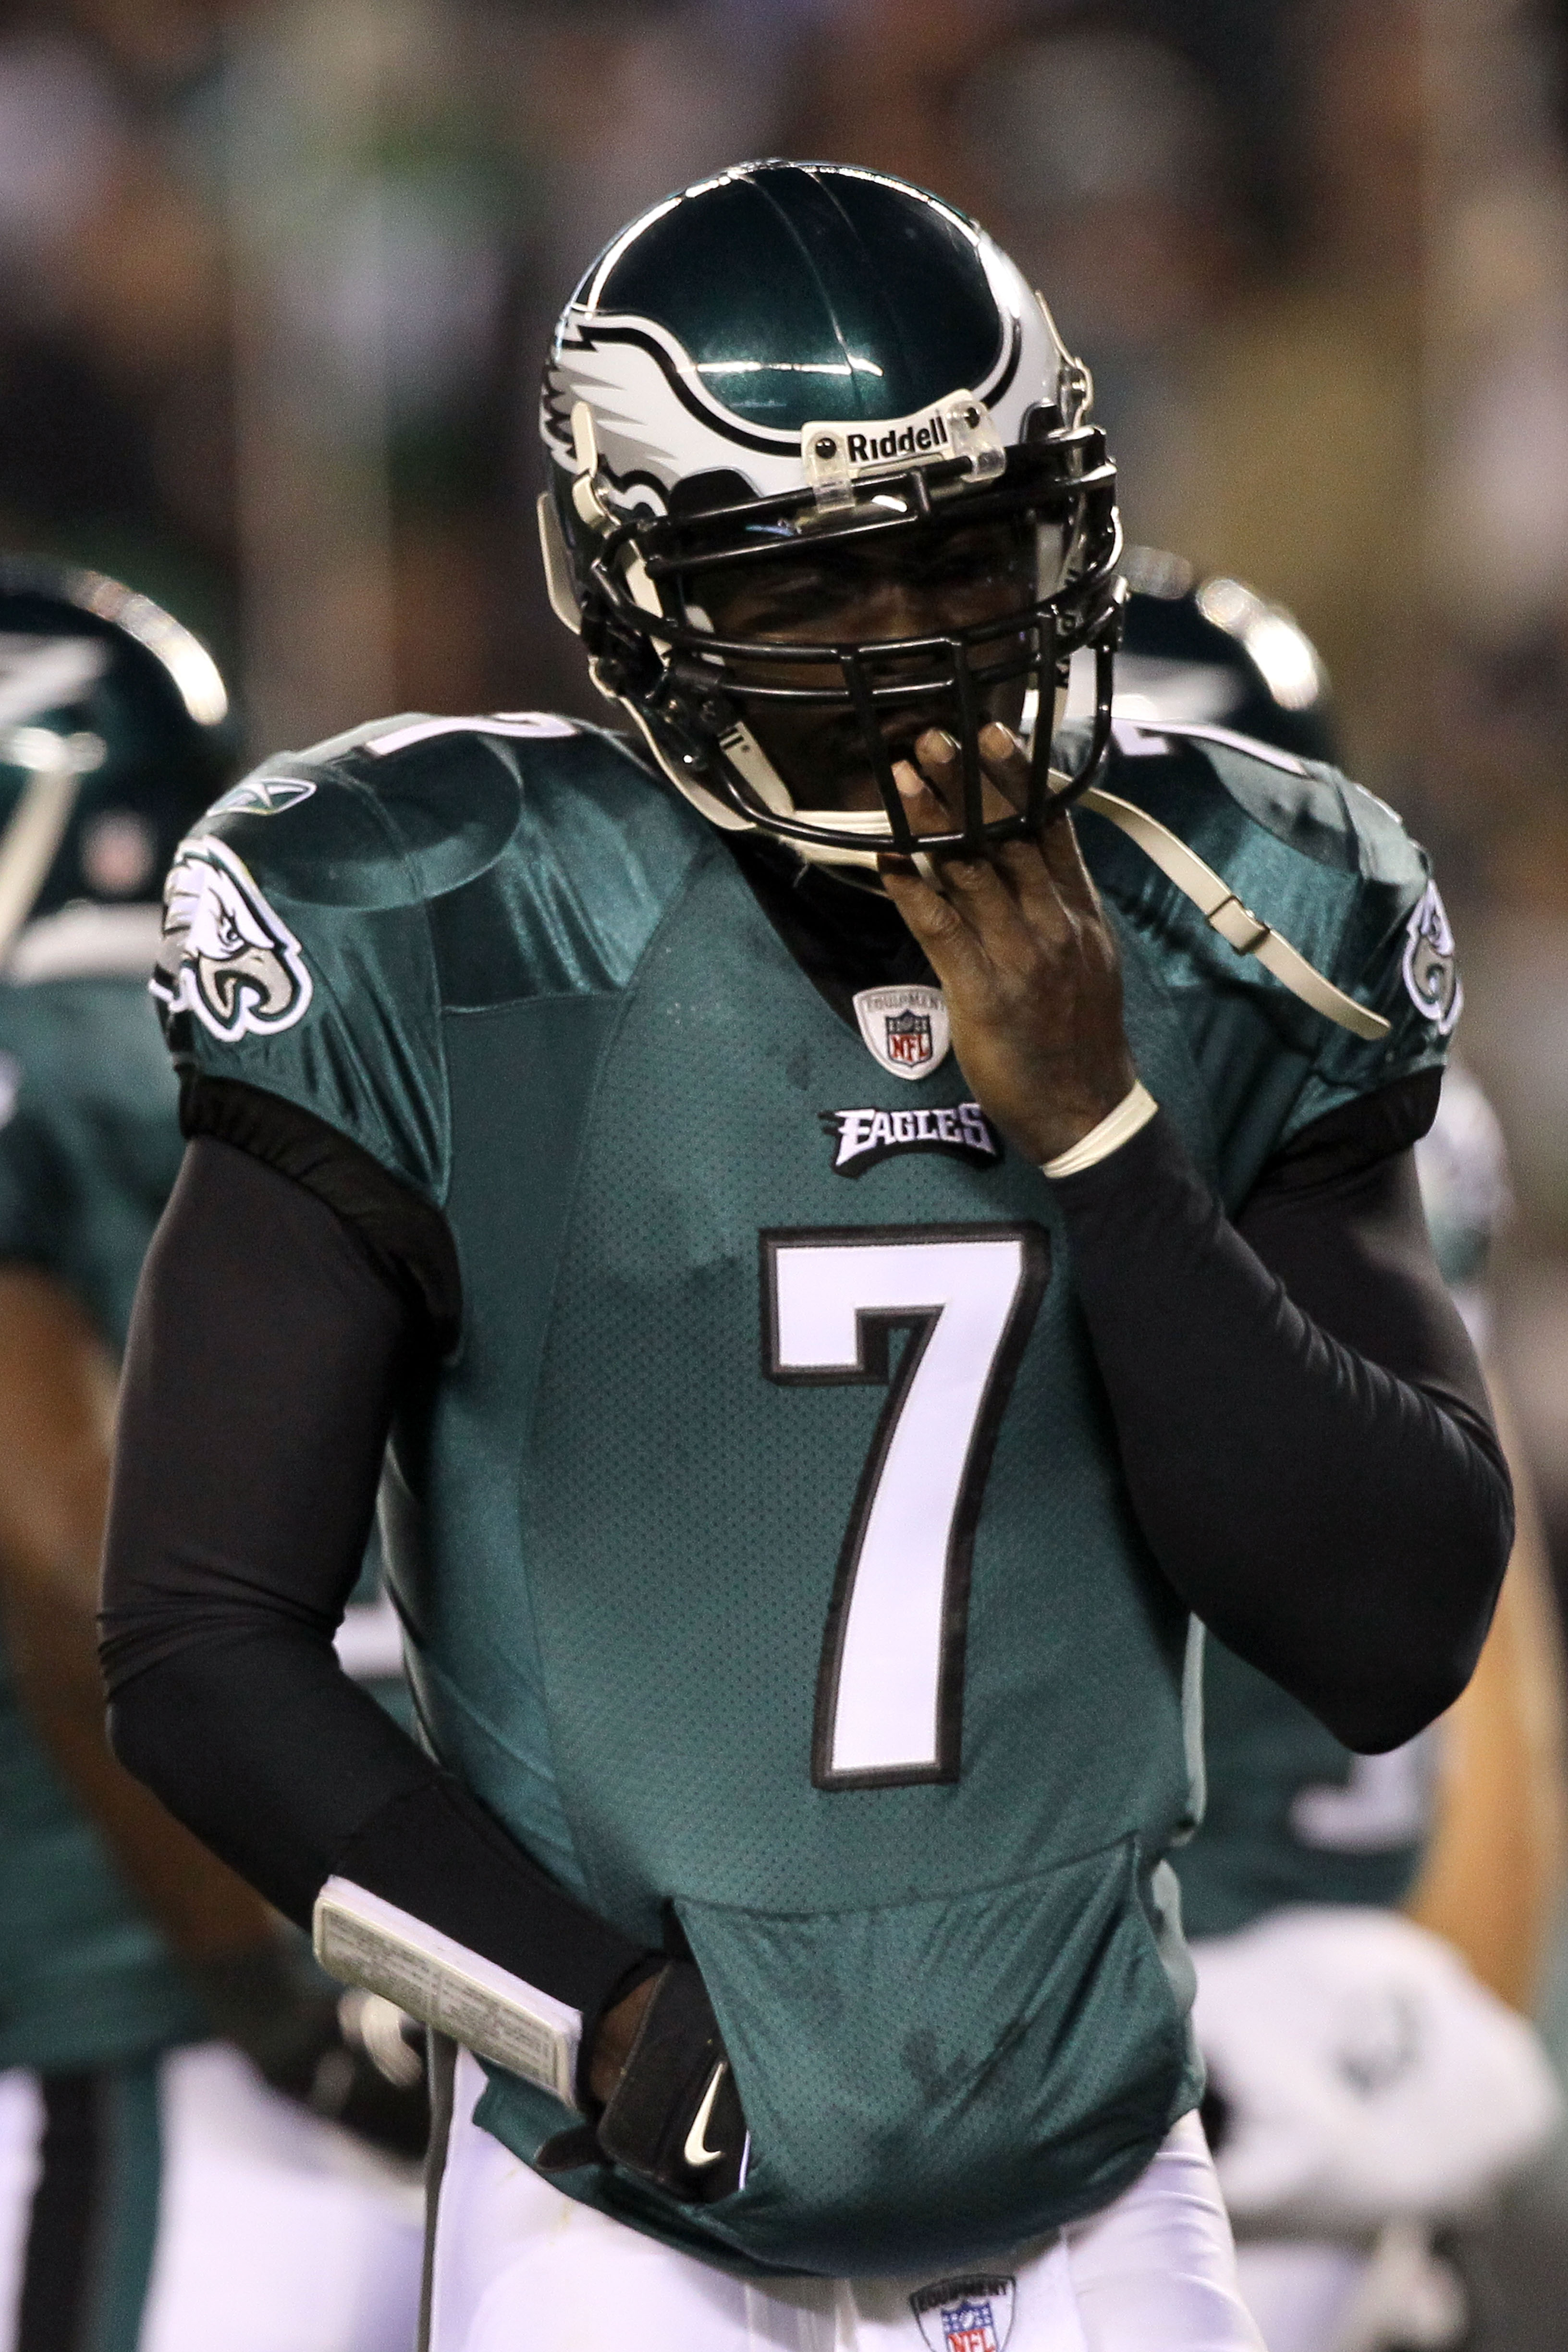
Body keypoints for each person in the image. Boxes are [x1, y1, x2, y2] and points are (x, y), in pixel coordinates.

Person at [100, 163, 1513, 2352]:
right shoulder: (449, 931)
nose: (926, 647)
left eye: (970, 549)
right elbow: (200, 1642)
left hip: (1103, 2172)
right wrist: (598, 2026)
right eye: (823, 582)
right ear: (637, 585)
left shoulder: (1234, 911)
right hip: (633, 2219)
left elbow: (1395, 1622)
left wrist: (1102, 1136)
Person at [1102, 557, 1563, 2352]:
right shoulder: (1398, 1122)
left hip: (1158, 2035)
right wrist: (1448, 2020)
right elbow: (1499, 1675)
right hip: (1342, 2008)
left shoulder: (934, 1131)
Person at [0, 561, 426, 2352]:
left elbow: (48, 1534)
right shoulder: (311, 1050)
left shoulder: (42, 1066)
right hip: (378, 1955)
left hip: (164, 2012)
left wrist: (268, 1973)